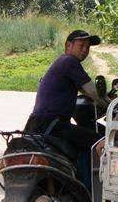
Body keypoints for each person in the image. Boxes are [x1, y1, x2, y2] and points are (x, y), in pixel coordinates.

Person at [25, 29, 106, 161]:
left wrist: (102, 98)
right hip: (52, 125)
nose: (85, 50)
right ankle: (88, 181)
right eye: (81, 46)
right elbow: (93, 91)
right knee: (100, 142)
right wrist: (109, 104)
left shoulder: (62, 62)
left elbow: (86, 92)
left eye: (88, 47)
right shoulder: (70, 62)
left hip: (38, 123)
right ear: (68, 45)